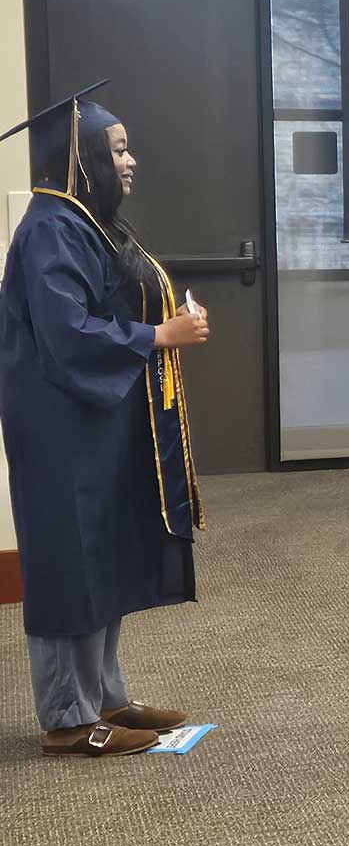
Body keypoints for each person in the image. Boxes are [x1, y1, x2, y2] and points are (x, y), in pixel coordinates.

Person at [0, 81, 209, 757]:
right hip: (59, 430)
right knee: (70, 562)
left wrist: (167, 322)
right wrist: (158, 338)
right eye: (117, 149)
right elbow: (70, 334)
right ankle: (68, 717)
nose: (130, 161)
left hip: (94, 424)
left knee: (102, 555)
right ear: (81, 156)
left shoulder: (83, 221)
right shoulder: (50, 228)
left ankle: (107, 698)